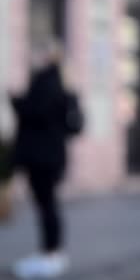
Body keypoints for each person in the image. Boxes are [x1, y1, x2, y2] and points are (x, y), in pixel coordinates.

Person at [10, 43, 83, 279]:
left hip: (41, 156)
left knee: (46, 205)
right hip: (54, 155)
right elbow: (73, 125)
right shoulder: (64, 85)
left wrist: (16, 102)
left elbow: (35, 112)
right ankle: (53, 254)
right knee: (49, 204)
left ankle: (50, 255)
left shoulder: (45, 82)